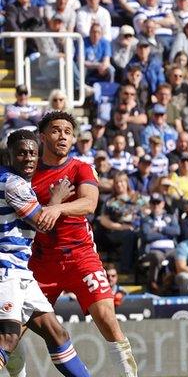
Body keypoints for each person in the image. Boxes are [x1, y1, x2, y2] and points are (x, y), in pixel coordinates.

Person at [29, 111, 138, 377]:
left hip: (81, 256)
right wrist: (51, 206)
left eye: (67, 131)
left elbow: (90, 203)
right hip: (41, 263)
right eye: (55, 130)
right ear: (42, 137)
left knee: (107, 319)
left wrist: (58, 209)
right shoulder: (27, 174)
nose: (62, 136)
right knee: (12, 329)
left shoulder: (81, 168)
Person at [0, 130, 92, 377]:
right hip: (6, 271)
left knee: (56, 333)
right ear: (9, 155)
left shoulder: (10, 180)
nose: (29, 158)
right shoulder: (13, 184)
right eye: (21, 153)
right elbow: (42, 223)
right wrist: (58, 198)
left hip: (20, 271)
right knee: (8, 337)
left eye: (32, 153)